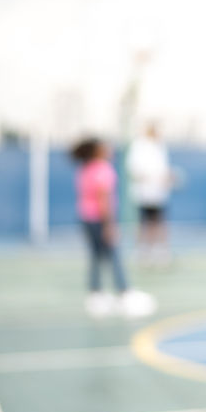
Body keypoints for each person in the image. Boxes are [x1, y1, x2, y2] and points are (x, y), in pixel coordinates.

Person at [70, 137, 155, 319]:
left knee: (95, 256)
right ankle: (124, 292)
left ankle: (95, 293)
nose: (110, 149)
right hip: (100, 219)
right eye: (105, 147)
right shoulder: (103, 169)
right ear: (97, 151)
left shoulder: (85, 169)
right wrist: (109, 225)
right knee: (114, 254)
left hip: (86, 217)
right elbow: (104, 199)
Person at [125, 122, 176, 266]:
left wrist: (167, 178)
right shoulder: (139, 146)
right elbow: (135, 170)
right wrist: (151, 179)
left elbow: (163, 169)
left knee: (159, 222)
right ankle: (142, 251)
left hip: (159, 193)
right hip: (145, 192)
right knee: (144, 222)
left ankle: (160, 251)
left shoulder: (160, 146)